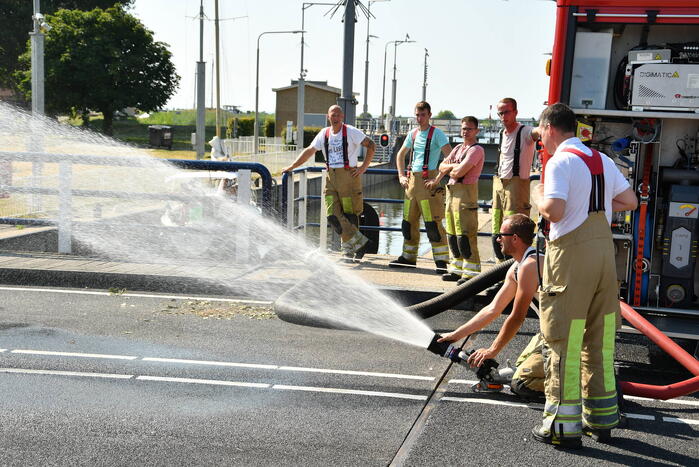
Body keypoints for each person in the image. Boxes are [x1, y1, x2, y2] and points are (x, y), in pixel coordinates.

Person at [533, 103, 637, 449]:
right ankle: (602, 420)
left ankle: (562, 428)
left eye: (540, 131)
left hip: (571, 258)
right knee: (600, 340)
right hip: (603, 258)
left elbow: (556, 210)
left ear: (550, 128)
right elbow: (630, 201)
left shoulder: (560, 162)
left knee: (564, 339)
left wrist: (537, 197)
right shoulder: (602, 161)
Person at [438, 214, 546, 400]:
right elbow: (492, 309)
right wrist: (455, 336)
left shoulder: (531, 265)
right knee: (516, 372)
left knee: (521, 383)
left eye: (501, 235)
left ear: (514, 238)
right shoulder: (516, 268)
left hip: (568, 333)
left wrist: (492, 350)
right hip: (549, 332)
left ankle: (581, 383)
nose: (497, 239)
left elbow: (517, 317)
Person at [282, 105, 376, 261]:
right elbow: (309, 151)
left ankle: (348, 251)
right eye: (333, 115)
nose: (336, 118)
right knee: (332, 215)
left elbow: (371, 145)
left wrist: (363, 168)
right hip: (330, 178)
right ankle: (361, 244)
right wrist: (292, 166)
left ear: (342, 117)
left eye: (338, 115)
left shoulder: (351, 131)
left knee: (350, 215)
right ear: (328, 117)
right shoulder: (324, 134)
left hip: (349, 177)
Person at [389, 101, 452, 273]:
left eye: (423, 114)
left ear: (429, 115)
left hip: (428, 182)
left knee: (432, 224)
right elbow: (400, 155)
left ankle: (441, 262)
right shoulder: (413, 134)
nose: (419, 118)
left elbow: (450, 157)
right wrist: (401, 175)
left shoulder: (437, 134)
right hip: (411, 184)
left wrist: (438, 178)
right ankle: (408, 258)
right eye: (417, 114)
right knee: (408, 223)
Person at [491, 97, 541, 260]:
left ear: (515, 112)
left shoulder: (524, 132)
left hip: (516, 185)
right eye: (500, 113)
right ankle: (499, 270)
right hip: (499, 183)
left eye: (507, 112)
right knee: (497, 230)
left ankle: (514, 269)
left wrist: (546, 125)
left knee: (513, 232)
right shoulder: (502, 133)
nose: (503, 116)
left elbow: (537, 133)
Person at [438, 116, 485, 283]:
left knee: (465, 236)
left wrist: (451, 168)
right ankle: (456, 269)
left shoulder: (476, 150)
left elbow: (459, 173)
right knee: (452, 234)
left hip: (466, 196)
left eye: (469, 129)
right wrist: (453, 167)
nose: (465, 132)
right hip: (452, 194)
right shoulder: (458, 148)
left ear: (476, 131)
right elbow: (441, 167)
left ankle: (471, 273)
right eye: (464, 128)